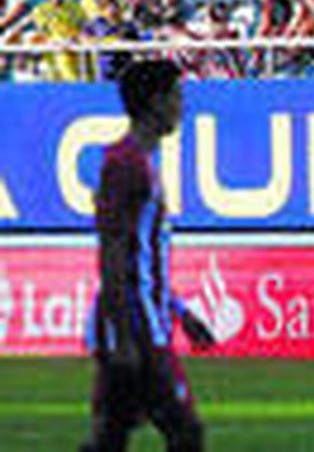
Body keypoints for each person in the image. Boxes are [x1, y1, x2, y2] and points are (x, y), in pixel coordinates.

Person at [82, 59, 216, 452]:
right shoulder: (126, 165)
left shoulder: (139, 162)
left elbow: (141, 258)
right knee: (186, 433)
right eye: (177, 96)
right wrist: (124, 338)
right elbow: (113, 253)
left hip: (141, 319)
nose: (182, 106)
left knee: (110, 438)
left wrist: (181, 312)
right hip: (136, 326)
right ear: (155, 103)